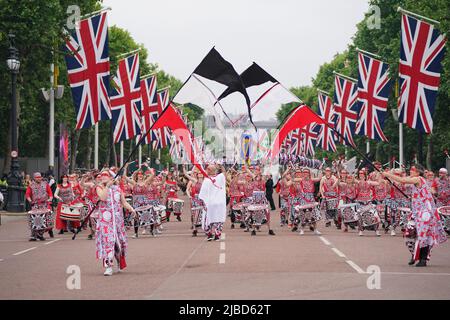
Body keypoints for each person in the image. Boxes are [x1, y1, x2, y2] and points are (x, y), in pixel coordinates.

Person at [383, 166, 447, 267]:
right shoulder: (414, 181)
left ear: (417, 172)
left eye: (412, 170)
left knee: (424, 235)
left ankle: (423, 259)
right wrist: (389, 179)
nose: (410, 171)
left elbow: (403, 180)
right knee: (409, 233)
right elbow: (401, 183)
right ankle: (414, 254)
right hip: (416, 212)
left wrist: (388, 175)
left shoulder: (418, 179)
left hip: (425, 212)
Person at [95, 170, 135, 276]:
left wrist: (131, 209)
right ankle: (108, 267)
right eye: (101, 175)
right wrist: (107, 187)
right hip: (105, 222)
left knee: (118, 244)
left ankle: (118, 262)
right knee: (108, 243)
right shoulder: (99, 188)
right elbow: (102, 197)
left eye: (105, 175)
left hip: (118, 222)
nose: (102, 177)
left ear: (111, 178)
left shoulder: (118, 189)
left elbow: (123, 202)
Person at [199, 164, 227, 241]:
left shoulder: (206, 180)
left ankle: (210, 234)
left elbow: (203, 194)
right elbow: (224, 172)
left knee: (209, 218)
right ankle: (217, 234)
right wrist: (221, 166)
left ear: (208, 171)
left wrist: (203, 203)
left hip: (210, 203)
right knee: (218, 218)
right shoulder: (220, 177)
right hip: (220, 203)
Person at [25, 172, 54, 241]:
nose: (39, 178)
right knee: (34, 220)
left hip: (44, 204)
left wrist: (50, 199)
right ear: (34, 178)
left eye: (40, 177)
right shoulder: (31, 185)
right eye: (37, 177)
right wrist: (30, 201)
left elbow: (50, 193)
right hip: (35, 204)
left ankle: (40, 234)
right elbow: (27, 194)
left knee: (44, 220)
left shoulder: (45, 184)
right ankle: (33, 235)